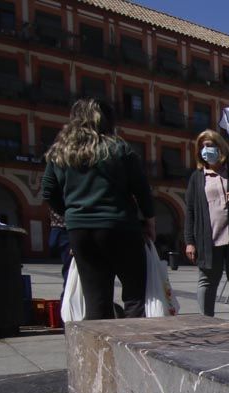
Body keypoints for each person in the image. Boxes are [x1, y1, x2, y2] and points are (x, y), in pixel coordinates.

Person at [42, 98, 155, 320]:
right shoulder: (119, 148)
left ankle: (100, 354)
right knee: (134, 296)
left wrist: (71, 215)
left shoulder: (61, 153)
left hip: (80, 231)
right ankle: (132, 348)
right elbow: (142, 189)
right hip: (120, 226)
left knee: (96, 299)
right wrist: (149, 221)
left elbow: (48, 192)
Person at [185, 130, 229, 323]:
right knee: (206, 281)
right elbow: (190, 211)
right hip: (208, 238)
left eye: (210, 146)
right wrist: (190, 241)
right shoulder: (197, 177)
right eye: (203, 146)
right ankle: (206, 321)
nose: (206, 150)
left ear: (220, 148)